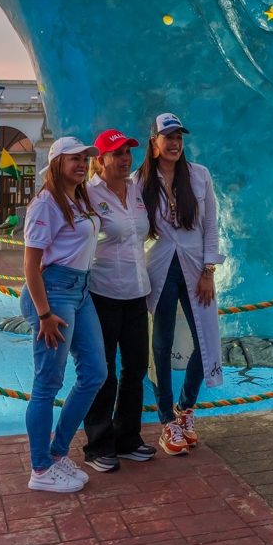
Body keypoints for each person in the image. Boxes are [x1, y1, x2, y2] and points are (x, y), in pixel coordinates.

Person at [20, 136, 107, 493]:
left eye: (85, 159)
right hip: (53, 294)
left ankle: (56, 454)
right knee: (47, 384)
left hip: (80, 291)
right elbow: (30, 264)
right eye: (74, 159)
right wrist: (43, 314)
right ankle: (40, 469)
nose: (82, 164)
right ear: (56, 163)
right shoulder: (45, 204)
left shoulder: (78, 197)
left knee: (95, 374)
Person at [137, 113, 224, 456]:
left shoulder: (199, 176)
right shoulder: (140, 180)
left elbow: (211, 227)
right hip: (159, 270)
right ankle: (166, 422)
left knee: (207, 344)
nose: (174, 143)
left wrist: (208, 272)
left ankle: (185, 408)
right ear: (154, 143)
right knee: (160, 348)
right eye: (167, 136)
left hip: (195, 270)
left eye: (179, 137)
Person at [82, 129, 155, 472]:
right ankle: (98, 444)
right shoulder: (87, 194)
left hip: (136, 292)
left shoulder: (136, 188)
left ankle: (127, 438)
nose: (125, 159)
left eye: (128, 152)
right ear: (100, 160)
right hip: (102, 292)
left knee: (137, 367)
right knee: (103, 371)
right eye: (117, 153)